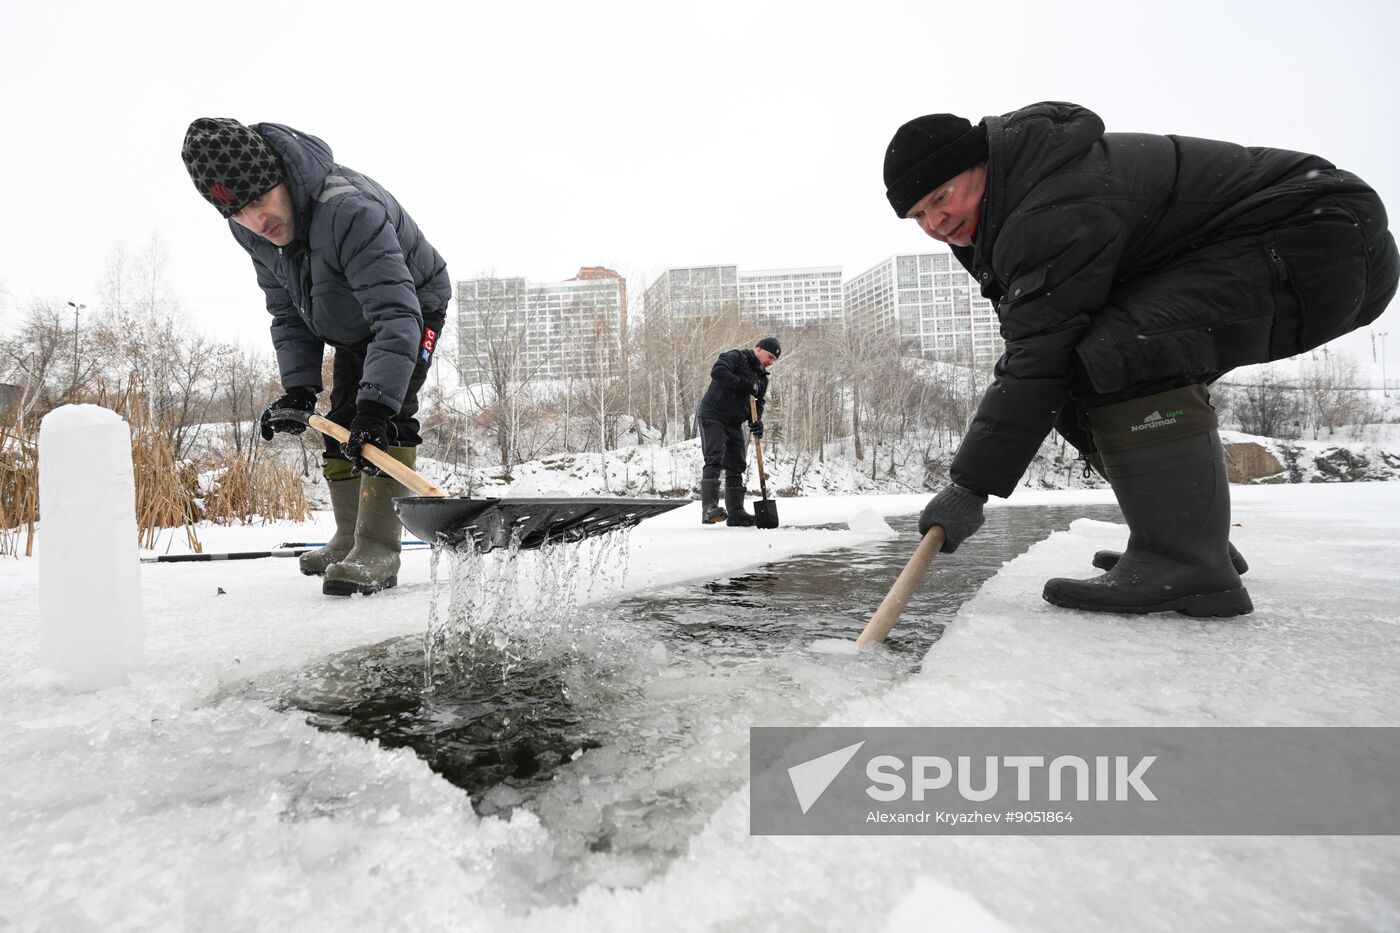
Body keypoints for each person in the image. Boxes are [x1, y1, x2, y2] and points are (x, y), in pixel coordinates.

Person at [883, 102, 1398, 618]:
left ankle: (1185, 562)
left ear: (982, 163)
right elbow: (1041, 357)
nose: (935, 222)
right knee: (1086, 368)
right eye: (919, 216)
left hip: (1318, 236)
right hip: (1298, 237)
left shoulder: (1046, 205)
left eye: (942, 197)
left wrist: (969, 488)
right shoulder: (1017, 203)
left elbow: (1038, 355)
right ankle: (1183, 537)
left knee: (1121, 351)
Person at [182, 118, 450, 596]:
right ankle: (347, 538)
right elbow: (287, 312)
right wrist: (300, 388)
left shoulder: (348, 210)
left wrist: (378, 407)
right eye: (237, 213)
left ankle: (377, 550)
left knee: (382, 419)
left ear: (281, 178)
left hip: (411, 310)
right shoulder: (252, 234)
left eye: (259, 202)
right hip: (348, 322)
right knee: (340, 425)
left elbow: (395, 314)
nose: (255, 222)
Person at [697, 337, 781, 526]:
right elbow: (717, 371)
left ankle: (736, 512)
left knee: (737, 464)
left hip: (733, 422)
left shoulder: (761, 379)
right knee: (715, 456)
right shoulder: (737, 357)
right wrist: (744, 385)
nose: (770, 362)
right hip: (713, 414)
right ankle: (709, 509)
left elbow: (758, 404)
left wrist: (757, 422)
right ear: (758, 349)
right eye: (769, 356)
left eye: (774, 361)